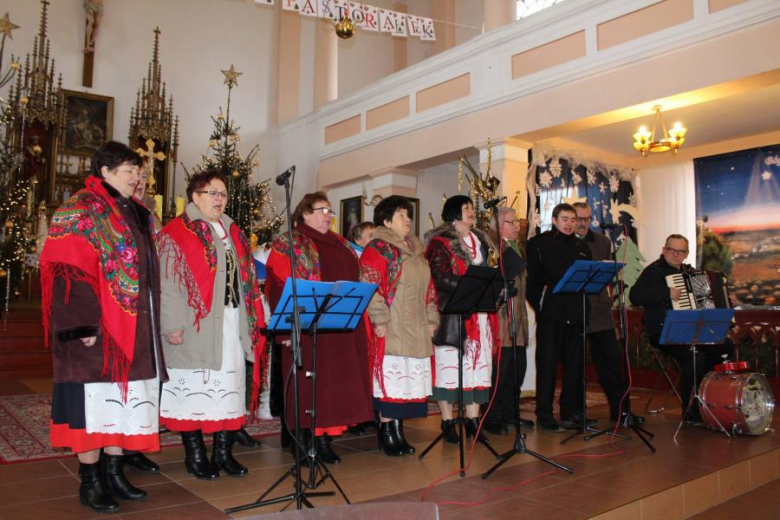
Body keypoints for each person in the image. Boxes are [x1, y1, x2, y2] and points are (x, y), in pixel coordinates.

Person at [41, 141, 165, 513]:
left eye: (139, 171)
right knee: (93, 408)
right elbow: (67, 273)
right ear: (105, 172)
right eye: (130, 171)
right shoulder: (80, 209)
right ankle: (90, 481)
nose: (137, 178)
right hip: (95, 331)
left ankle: (115, 472)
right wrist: (82, 325)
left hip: (131, 327)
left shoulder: (132, 210)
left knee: (122, 406)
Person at [158, 170, 266, 480]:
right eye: (212, 193)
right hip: (195, 324)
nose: (219, 199)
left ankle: (223, 453)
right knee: (192, 390)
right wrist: (171, 325)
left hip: (231, 322)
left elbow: (245, 279)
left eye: (223, 193)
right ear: (195, 196)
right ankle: (195, 455)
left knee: (229, 389)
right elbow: (168, 282)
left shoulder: (232, 231)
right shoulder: (177, 232)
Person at [265, 192, 373, 465]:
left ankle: (324, 440)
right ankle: (302, 440)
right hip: (305, 328)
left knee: (332, 387)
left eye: (329, 211)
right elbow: (277, 288)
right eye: (321, 210)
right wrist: (285, 330)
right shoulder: (289, 243)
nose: (327, 215)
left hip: (339, 328)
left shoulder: (341, 244)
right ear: (304, 213)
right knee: (306, 384)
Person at [360, 196, 439, 456]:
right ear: (386, 221)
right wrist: (379, 318)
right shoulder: (378, 249)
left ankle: (399, 432)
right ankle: (387, 433)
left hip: (416, 325)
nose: (407, 220)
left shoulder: (416, 250)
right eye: (401, 215)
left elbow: (429, 288)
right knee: (391, 385)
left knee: (406, 385)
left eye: (408, 215)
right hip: (391, 324)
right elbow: (370, 286)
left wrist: (431, 318)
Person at [629, 234, 734, 420]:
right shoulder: (653, 271)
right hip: (663, 331)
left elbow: (706, 299)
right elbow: (635, 296)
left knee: (725, 347)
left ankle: (709, 397)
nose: (676, 255)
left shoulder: (691, 273)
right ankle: (691, 410)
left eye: (681, 251)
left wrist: (723, 299)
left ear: (686, 253)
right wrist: (666, 292)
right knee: (694, 355)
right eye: (672, 250)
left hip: (693, 330)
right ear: (664, 250)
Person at [425, 195, 499, 444]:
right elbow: (439, 276)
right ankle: (447, 421)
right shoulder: (440, 243)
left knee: (477, 369)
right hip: (454, 316)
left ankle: (473, 420)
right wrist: (472, 287)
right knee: (450, 371)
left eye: (471, 208)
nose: (471, 212)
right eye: (466, 208)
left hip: (480, 316)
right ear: (454, 213)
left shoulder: (481, 240)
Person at [572, 202, 643, 427]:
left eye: (586, 219)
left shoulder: (602, 241)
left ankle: (622, 411)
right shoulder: (564, 242)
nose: (583, 224)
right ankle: (576, 414)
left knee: (612, 363)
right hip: (575, 311)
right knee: (576, 365)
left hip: (601, 311)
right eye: (578, 219)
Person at [526, 203, 592, 432]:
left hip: (576, 314)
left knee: (574, 366)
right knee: (547, 366)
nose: (569, 224)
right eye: (565, 219)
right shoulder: (538, 244)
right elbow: (531, 282)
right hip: (551, 315)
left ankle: (571, 411)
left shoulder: (582, 247)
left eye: (573, 220)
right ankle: (544, 414)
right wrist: (541, 306)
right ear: (554, 220)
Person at [481, 206, 534, 435]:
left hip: (518, 319)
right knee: (499, 372)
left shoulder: (517, 247)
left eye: (517, 222)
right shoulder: (492, 247)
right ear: (498, 225)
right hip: (501, 319)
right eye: (512, 222)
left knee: (517, 368)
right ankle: (491, 416)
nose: (517, 226)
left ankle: (510, 412)